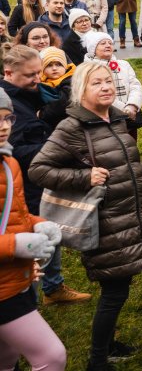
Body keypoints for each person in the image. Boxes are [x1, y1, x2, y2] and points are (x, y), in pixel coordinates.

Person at [31, 62, 142, 370]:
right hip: (105, 222)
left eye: (109, 81)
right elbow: (38, 169)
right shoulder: (72, 127)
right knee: (115, 291)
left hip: (128, 216)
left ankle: (109, 344)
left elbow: (126, 160)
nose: (105, 87)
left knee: (118, 287)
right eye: (96, 83)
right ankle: (98, 359)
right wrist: (83, 177)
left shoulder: (116, 119)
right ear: (81, 90)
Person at [0, 87, 67, 371]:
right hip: (4, 288)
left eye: (8, 118)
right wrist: (18, 245)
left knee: (6, 357)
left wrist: (41, 226)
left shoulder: (8, 161)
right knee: (51, 356)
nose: (4, 127)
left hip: (16, 278)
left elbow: (16, 215)